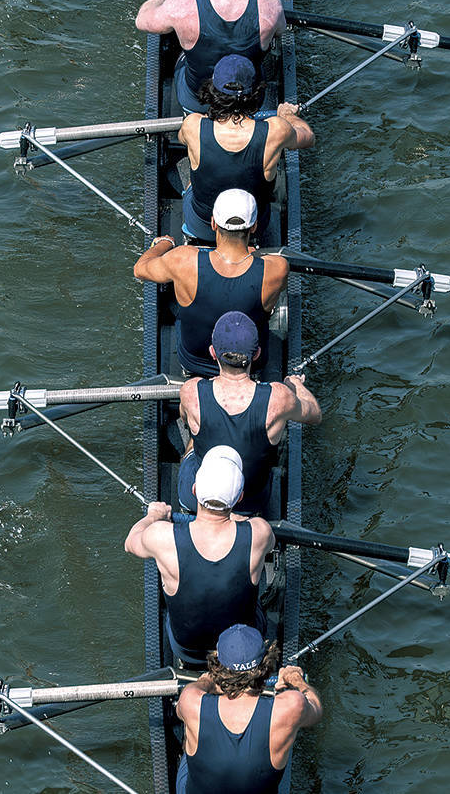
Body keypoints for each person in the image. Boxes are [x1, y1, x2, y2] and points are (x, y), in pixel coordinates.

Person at [124, 447, 275, 668]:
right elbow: (270, 545)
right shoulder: (260, 532)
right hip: (244, 646)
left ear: (194, 490)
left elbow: (130, 542)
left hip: (189, 650)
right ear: (240, 497)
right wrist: (237, 520)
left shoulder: (161, 536)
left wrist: (153, 516)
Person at [178, 310, 322, 518]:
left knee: (193, 433)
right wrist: (295, 385)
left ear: (212, 352)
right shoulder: (279, 397)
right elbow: (315, 414)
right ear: (256, 354)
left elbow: (184, 418)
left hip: (195, 496)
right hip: (250, 502)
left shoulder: (191, 391)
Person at [133, 188, 288, 377]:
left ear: (213, 223)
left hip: (195, 362)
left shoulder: (183, 260)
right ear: (254, 226)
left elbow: (140, 269)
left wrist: (164, 243)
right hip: (251, 364)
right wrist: (253, 254)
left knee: (178, 301)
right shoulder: (277, 268)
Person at [134, 0, 285, 115]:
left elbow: (142, 21)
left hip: (197, 102)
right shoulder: (270, 6)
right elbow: (281, 30)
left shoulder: (181, 6)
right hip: (248, 100)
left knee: (180, 47)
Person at [179, 54, 314, 245]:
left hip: (203, 226)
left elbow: (181, 139)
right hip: (254, 228)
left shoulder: (192, 125)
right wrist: (289, 116)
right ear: (257, 93)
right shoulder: (277, 129)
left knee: (190, 174)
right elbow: (308, 136)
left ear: (213, 90)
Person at [176, 623, 322, 793]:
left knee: (191, 727)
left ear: (217, 664)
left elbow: (193, 695)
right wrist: (295, 679)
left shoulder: (191, 700)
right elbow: (316, 707)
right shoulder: (291, 705)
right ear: (266, 664)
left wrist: (208, 681)